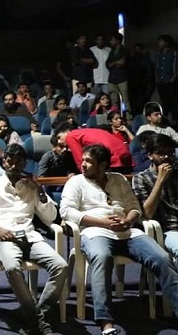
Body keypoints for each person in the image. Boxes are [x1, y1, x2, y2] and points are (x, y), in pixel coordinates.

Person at [60, 143, 178, 335]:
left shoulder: (119, 179)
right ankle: (105, 321)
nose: (83, 164)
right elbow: (66, 211)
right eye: (83, 160)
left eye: (89, 161)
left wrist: (128, 220)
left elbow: (134, 207)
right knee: (102, 257)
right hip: (95, 231)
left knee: (162, 258)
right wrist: (102, 222)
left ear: (103, 165)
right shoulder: (76, 182)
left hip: (127, 231)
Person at [0, 144, 68, 335]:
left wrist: (39, 190)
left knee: (61, 266)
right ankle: (39, 321)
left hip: (30, 236)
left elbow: (49, 217)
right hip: (3, 238)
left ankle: (35, 317)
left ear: (24, 163)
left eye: (18, 162)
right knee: (13, 267)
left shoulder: (31, 186)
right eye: (10, 161)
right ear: (3, 161)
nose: (14, 165)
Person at [132, 134, 178, 257]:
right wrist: (160, 181)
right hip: (167, 229)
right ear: (150, 155)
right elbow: (147, 213)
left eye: (170, 153)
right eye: (161, 153)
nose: (166, 157)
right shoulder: (140, 178)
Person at [56, 124, 134, 174]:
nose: (59, 141)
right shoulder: (84, 131)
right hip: (124, 152)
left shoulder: (70, 136)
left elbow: (81, 162)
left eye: (59, 137)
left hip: (111, 156)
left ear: (67, 132)